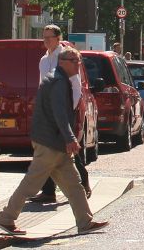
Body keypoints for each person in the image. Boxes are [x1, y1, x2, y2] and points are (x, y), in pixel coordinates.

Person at [0, 47, 107, 236]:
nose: (78, 65)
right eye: (76, 61)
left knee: (74, 185)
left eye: (79, 61)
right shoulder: (58, 82)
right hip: (50, 143)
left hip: (55, 144)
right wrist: (70, 137)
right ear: (64, 61)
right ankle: (6, 219)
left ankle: (85, 222)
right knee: (31, 184)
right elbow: (59, 113)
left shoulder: (58, 78)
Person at [30, 25, 82, 204]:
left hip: (64, 111)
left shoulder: (67, 57)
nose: (45, 41)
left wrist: (70, 110)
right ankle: (48, 191)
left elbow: (76, 86)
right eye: (43, 37)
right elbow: (42, 87)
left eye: (49, 37)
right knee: (50, 148)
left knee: (68, 148)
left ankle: (84, 183)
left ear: (58, 38)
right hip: (49, 114)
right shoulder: (43, 61)